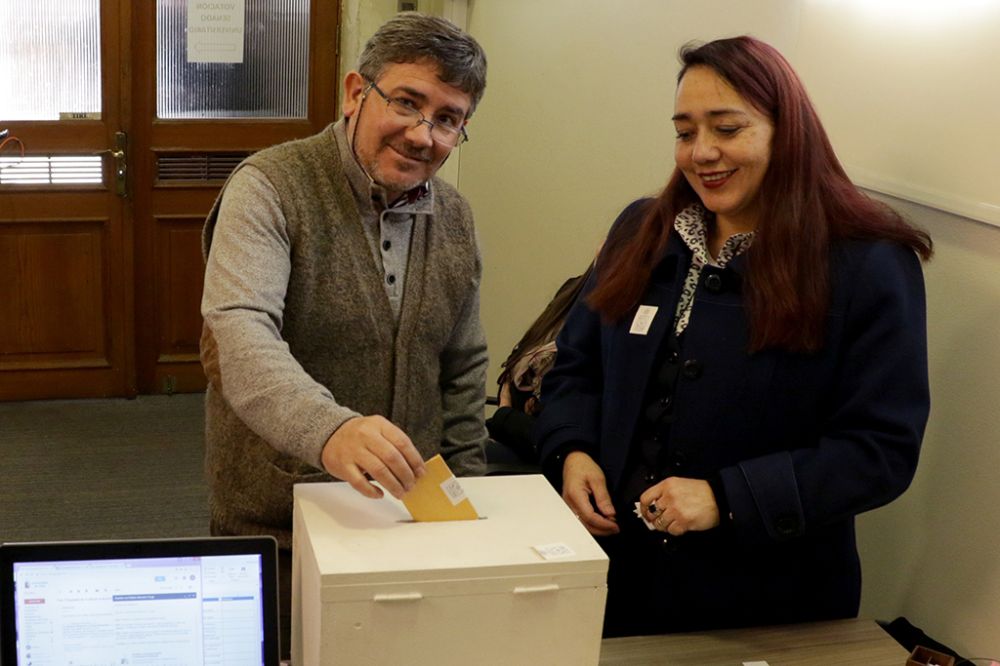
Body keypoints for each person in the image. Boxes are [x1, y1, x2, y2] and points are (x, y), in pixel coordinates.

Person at [534, 36, 932, 638]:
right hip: (617, 586)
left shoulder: (867, 262)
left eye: (727, 128)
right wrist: (572, 450)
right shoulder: (642, 228)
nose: (702, 153)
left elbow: (880, 451)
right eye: (685, 131)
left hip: (767, 602)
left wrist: (728, 497)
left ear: (786, 131)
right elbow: (577, 365)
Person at [199, 13, 488, 655]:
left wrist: (472, 497)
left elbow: (464, 368)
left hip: (408, 520)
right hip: (279, 520)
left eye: (448, 119)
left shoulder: (458, 218)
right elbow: (238, 334)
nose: (423, 134)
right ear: (357, 92)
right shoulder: (270, 186)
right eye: (407, 103)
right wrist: (329, 429)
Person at [485, 262, 594, 466]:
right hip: (512, 433)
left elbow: (561, 434)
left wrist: (504, 417)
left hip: (545, 455)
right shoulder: (574, 290)